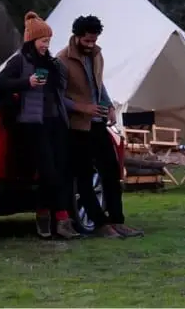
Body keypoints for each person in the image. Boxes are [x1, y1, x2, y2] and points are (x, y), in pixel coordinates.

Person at [56, 15, 144, 238]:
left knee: (111, 172)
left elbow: (99, 83)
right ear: (76, 37)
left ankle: (117, 220)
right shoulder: (61, 61)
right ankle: (100, 224)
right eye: (86, 41)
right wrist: (82, 108)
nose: (90, 45)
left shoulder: (97, 55)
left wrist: (110, 106)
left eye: (93, 41)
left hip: (98, 124)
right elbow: (57, 97)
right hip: (77, 127)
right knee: (84, 176)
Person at [0, 11, 80, 240]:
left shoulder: (51, 64)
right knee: (49, 172)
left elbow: (59, 93)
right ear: (32, 40)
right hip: (33, 125)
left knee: (57, 171)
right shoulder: (19, 61)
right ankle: (62, 219)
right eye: (43, 41)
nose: (46, 45)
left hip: (55, 122)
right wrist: (26, 83)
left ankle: (43, 215)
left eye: (49, 41)